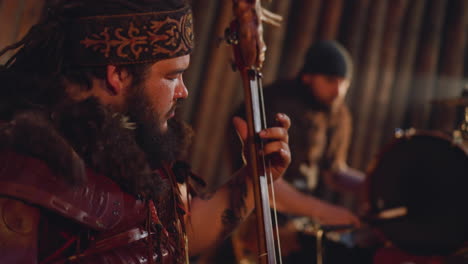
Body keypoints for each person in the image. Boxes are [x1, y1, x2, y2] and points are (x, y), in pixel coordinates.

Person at [0, 1, 291, 263]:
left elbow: (179, 238)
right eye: (172, 76)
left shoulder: (134, 146)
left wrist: (252, 180)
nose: (183, 91)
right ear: (119, 75)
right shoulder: (27, 172)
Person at [202, 40, 367, 264]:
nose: (338, 91)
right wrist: (324, 211)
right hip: (254, 216)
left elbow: (334, 171)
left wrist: (372, 186)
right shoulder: (273, 103)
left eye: (343, 83)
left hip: (299, 220)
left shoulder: (338, 114)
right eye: (330, 81)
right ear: (307, 76)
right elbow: (264, 183)